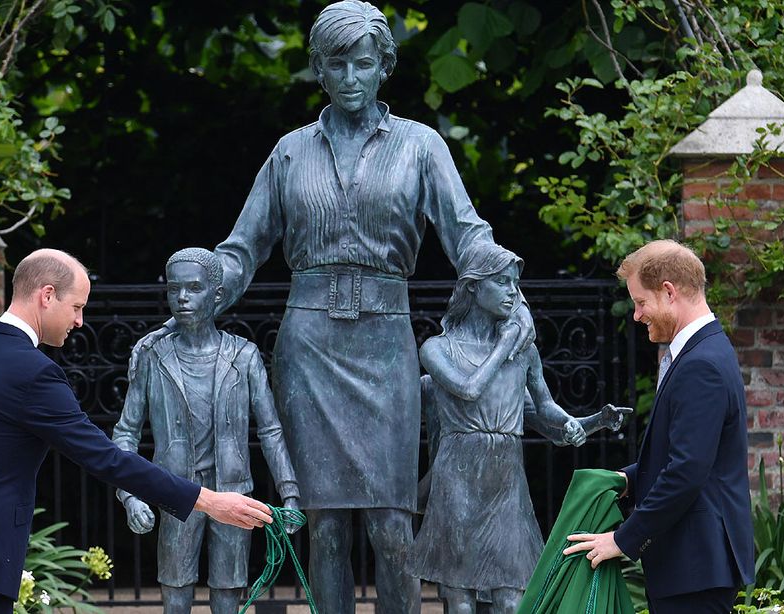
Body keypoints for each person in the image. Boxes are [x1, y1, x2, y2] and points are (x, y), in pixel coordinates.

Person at [134, 3, 534, 611]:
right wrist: (200, 295)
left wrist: (505, 279)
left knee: (392, 524)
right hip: (310, 347)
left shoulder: (421, 147)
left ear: (384, 69)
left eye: (364, 64)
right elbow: (241, 250)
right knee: (323, 526)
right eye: (337, 64)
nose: (351, 77)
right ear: (319, 70)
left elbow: (467, 233)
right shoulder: (291, 152)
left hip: (385, 343)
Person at [0, 249, 273, 614]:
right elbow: (106, 458)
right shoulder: (35, 373)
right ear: (46, 295)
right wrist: (207, 500)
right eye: (77, 306)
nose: (80, 321)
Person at [409, 244, 630, 613]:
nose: (513, 291)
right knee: (459, 602)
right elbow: (468, 389)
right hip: (458, 476)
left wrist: (592, 422)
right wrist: (506, 343)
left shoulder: (524, 353)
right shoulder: (438, 348)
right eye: (502, 282)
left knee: (511, 600)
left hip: (505, 480)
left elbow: (545, 412)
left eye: (515, 283)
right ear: (474, 288)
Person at [563, 239, 754, 614]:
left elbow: (686, 471)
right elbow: (683, 456)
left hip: (696, 567)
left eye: (640, 302)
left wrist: (622, 539)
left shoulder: (701, 364)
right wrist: (625, 479)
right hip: (692, 566)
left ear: (668, 292)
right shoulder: (704, 351)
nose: (636, 315)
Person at [112, 248, 300, 614]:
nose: (182, 298)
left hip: (234, 490)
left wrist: (289, 493)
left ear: (216, 294)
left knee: (229, 591)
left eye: (194, 288)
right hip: (175, 490)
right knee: (176, 589)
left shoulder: (244, 356)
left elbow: (271, 430)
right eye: (173, 289)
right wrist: (130, 495)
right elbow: (126, 433)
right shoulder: (153, 357)